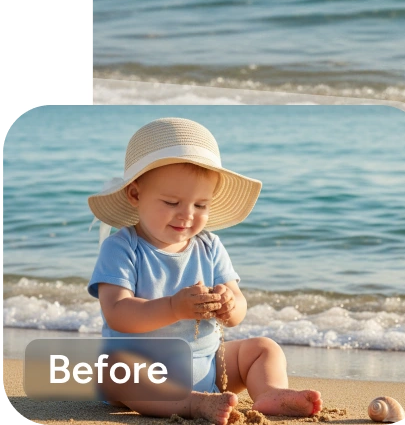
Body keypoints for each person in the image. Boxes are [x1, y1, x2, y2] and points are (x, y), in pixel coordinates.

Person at [87, 117, 323, 423]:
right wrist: (174, 307)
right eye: (172, 201)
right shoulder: (122, 248)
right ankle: (191, 404)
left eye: (201, 205)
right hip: (144, 371)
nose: (187, 215)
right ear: (135, 195)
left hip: (210, 365)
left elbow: (239, 309)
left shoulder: (209, 246)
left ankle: (269, 392)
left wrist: (229, 304)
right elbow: (117, 312)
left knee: (264, 349)